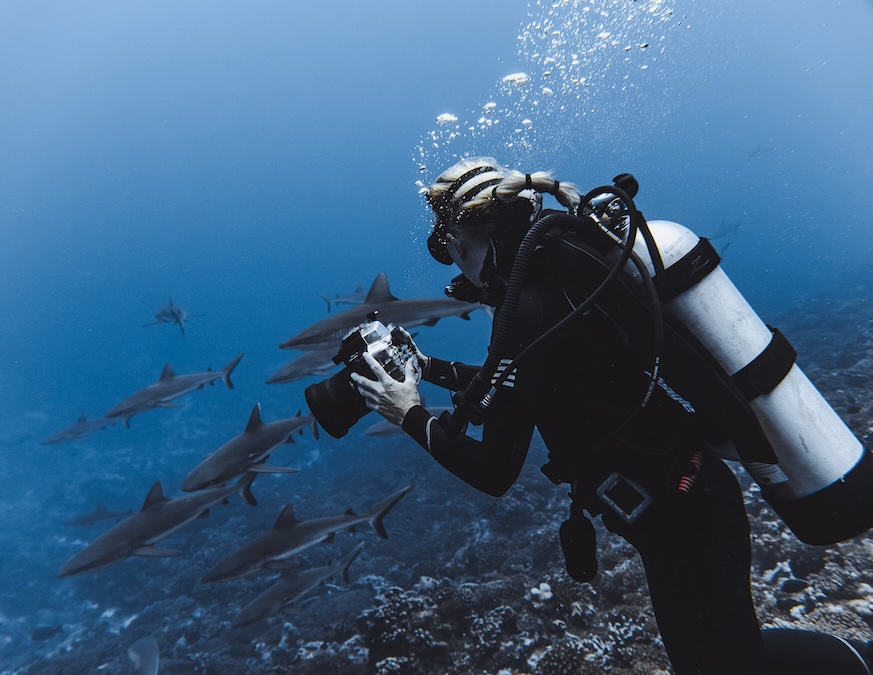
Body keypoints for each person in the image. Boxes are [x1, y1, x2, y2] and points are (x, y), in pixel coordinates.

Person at [348, 158, 868, 674]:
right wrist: (425, 367)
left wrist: (408, 413)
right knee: (726, 658)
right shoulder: (562, 278)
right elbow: (530, 380)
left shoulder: (528, 306)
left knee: (725, 665)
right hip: (685, 504)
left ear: (457, 241)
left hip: (684, 520)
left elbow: (494, 470)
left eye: (446, 248)